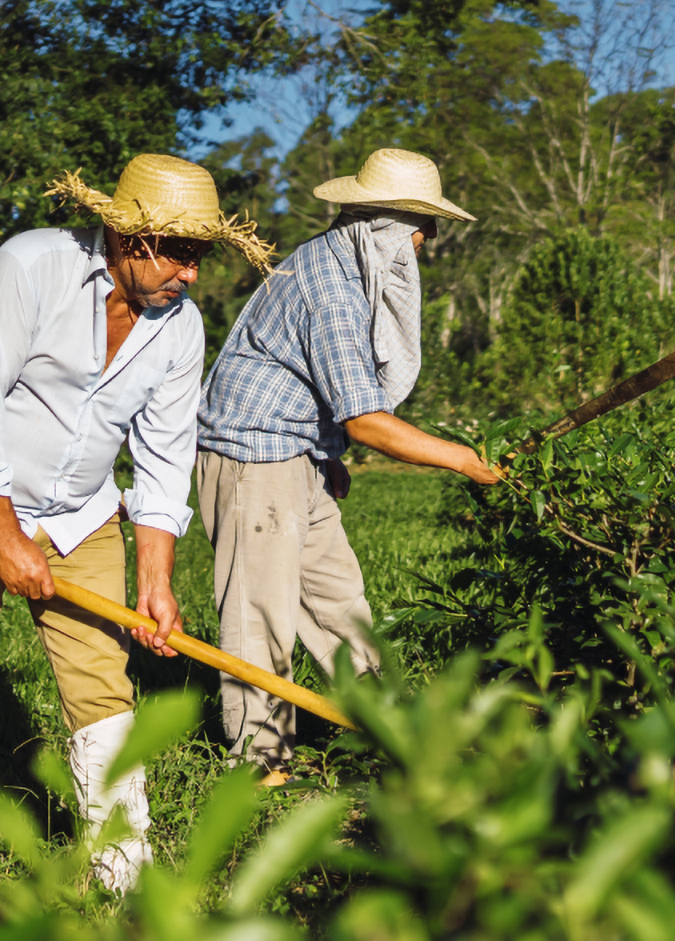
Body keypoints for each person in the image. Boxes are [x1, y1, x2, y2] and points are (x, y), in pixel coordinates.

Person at [0, 154, 274, 892]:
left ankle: (120, 868)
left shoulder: (180, 329)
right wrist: (5, 541)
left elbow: (165, 458)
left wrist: (154, 584)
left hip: (83, 516)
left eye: (201, 256)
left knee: (103, 690)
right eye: (183, 253)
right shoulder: (30, 266)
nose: (192, 275)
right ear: (132, 238)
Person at [197, 147, 501, 777]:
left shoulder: (345, 268)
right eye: (425, 231)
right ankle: (258, 760)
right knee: (261, 613)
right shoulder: (331, 286)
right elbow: (366, 419)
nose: (429, 245)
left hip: (298, 453)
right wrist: (465, 460)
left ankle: (387, 729)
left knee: (339, 602)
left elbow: (330, 393)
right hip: (254, 456)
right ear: (391, 231)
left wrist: (327, 453)